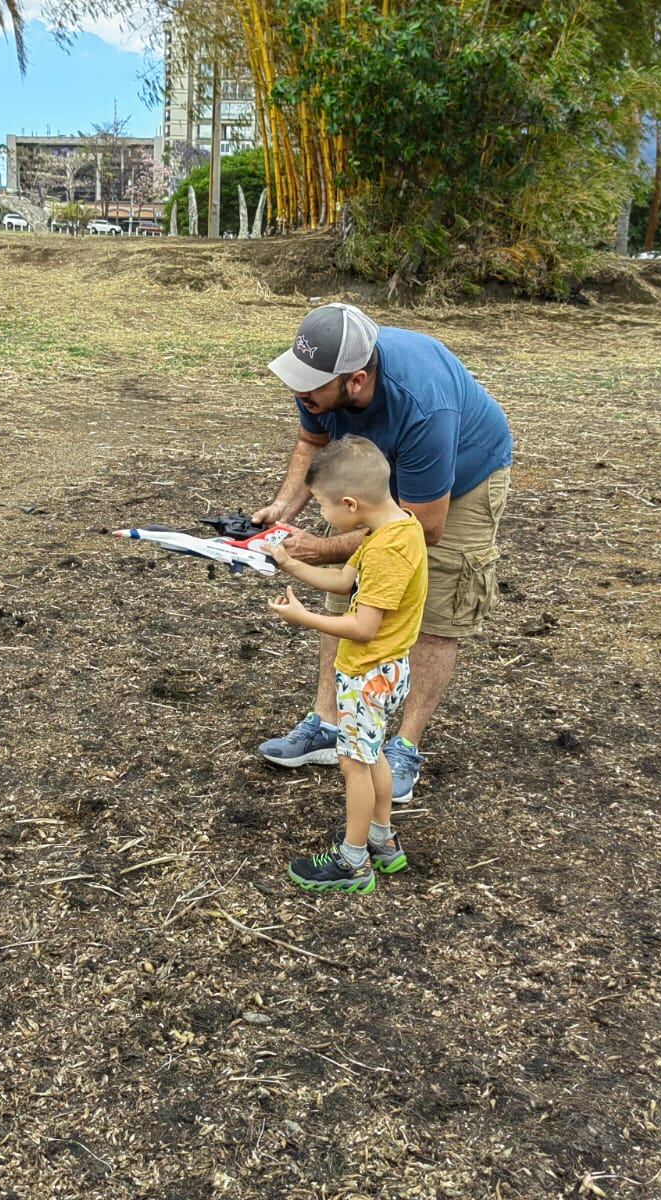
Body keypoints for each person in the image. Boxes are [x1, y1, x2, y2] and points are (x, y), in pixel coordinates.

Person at [253, 303, 512, 803]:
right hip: (377, 468)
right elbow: (312, 440)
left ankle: (405, 747)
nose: (299, 393)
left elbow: (422, 526)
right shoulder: (318, 380)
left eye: (311, 386)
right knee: (349, 591)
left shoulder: (423, 405)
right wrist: (283, 509)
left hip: (460, 481)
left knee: (432, 611)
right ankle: (328, 725)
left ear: (356, 380)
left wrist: (323, 547)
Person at [266, 437, 427, 894]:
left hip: (369, 674)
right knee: (370, 753)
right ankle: (383, 841)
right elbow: (341, 579)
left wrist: (304, 618)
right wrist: (290, 564)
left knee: (354, 764)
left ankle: (353, 862)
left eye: (321, 505)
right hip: (387, 670)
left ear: (350, 503)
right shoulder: (397, 529)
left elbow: (362, 626)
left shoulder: (385, 551)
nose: (321, 517)